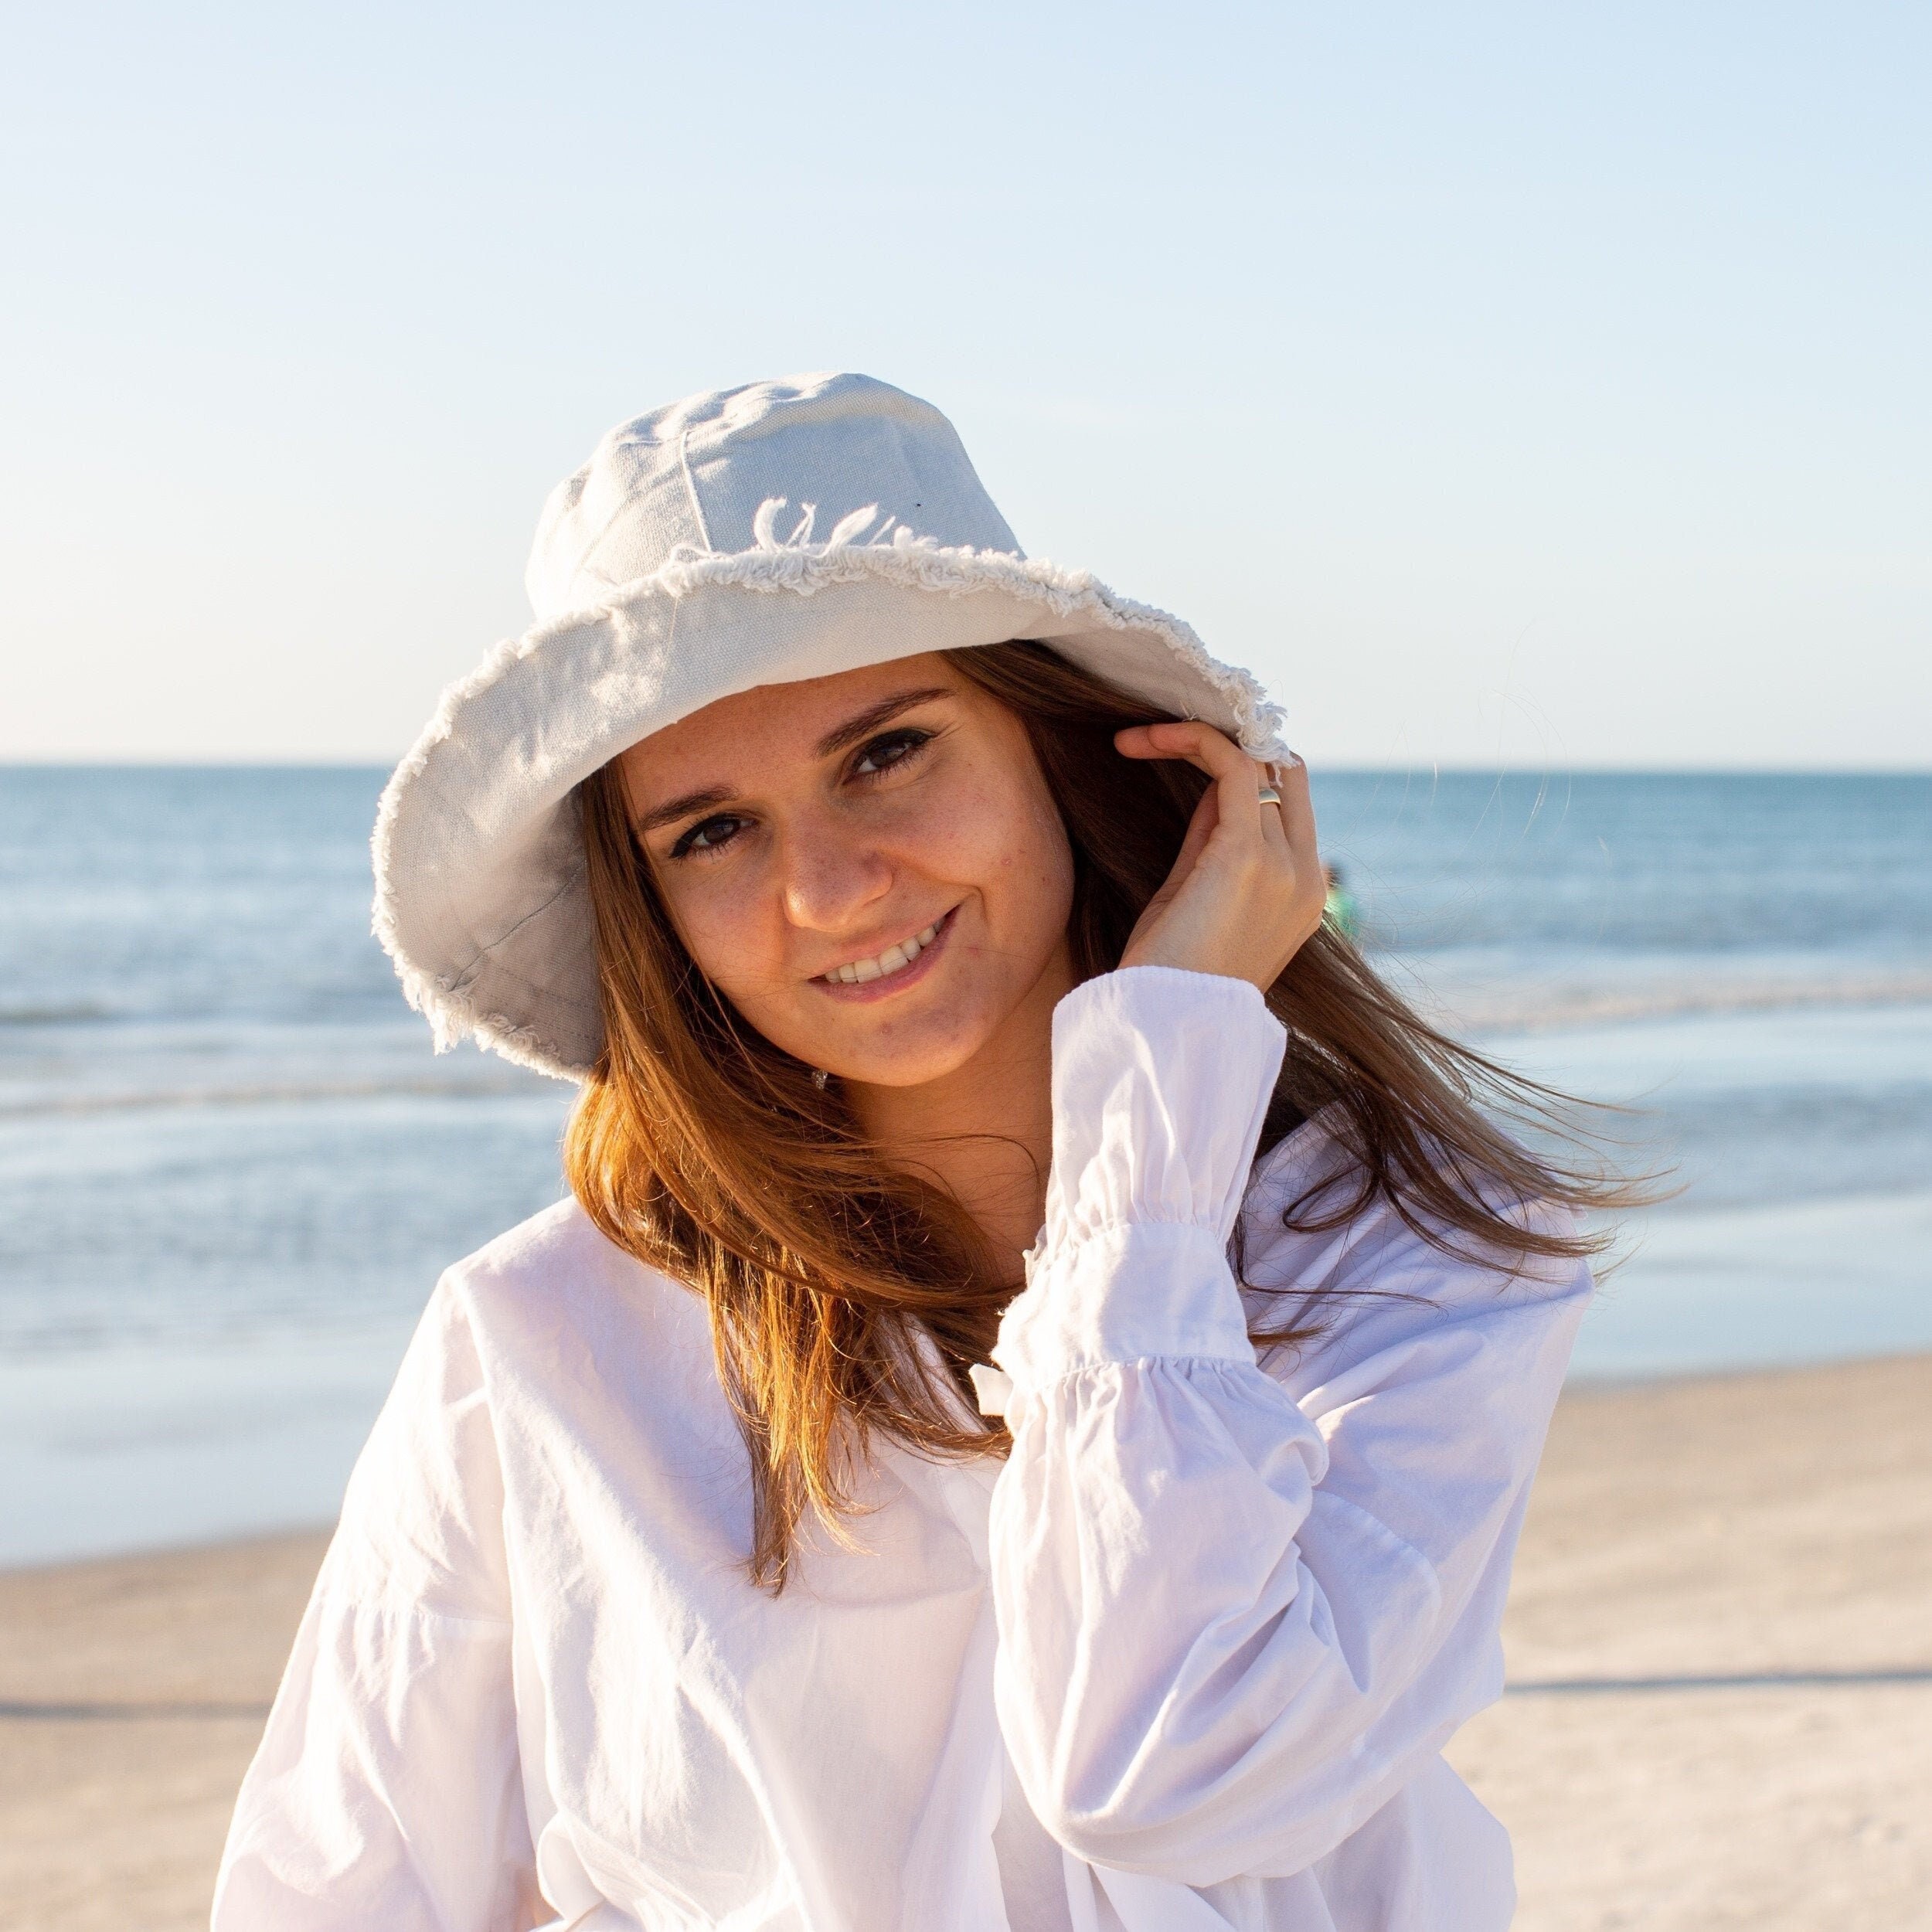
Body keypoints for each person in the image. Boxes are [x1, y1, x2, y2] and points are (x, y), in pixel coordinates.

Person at [213, 373, 1625, 1932]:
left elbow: (1171, 1768)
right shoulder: (539, 1338)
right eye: (709, 832)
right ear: (652, 911)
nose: (825, 887)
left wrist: (1157, 1106)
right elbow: (341, 1887)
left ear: (1066, 748)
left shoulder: (1400, 1256)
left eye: (884, 751)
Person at [1323, 861, 1362, 941]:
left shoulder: (1324, 899)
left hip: (1332, 942)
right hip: (1347, 942)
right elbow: (1356, 927)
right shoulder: (1349, 899)